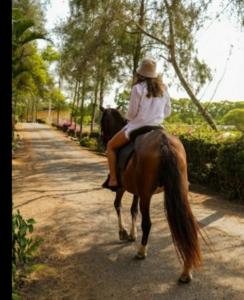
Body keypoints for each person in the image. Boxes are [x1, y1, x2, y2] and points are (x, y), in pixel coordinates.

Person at [102, 58, 172, 191]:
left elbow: (131, 114)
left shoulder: (137, 88)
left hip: (137, 127)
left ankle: (113, 179)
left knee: (110, 146)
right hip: (158, 127)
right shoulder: (164, 89)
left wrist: (131, 117)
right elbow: (168, 112)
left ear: (140, 74)